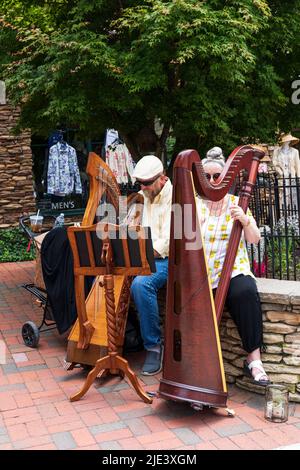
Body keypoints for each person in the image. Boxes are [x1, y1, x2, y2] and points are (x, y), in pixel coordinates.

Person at [196, 158, 270, 386]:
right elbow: (179, 243)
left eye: (216, 176)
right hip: (203, 273)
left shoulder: (238, 202)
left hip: (233, 271)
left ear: (226, 179)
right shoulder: (193, 206)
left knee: (245, 292)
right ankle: (197, 366)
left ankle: (254, 360)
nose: (211, 180)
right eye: (206, 176)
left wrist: (245, 220)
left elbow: (254, 239)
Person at [130, 155, 172, 375]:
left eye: (147, 184)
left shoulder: (175, 197)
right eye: (140, 184)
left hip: (166, 260)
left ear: (162, 179)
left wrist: (137, 253)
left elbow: (165, 244)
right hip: (145, 256)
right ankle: (124, 336)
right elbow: (135, 228)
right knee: (104, 274)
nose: (143, 188)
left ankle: (153, 346)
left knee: (140, 285)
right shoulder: (144, 195)